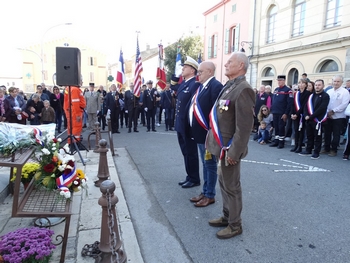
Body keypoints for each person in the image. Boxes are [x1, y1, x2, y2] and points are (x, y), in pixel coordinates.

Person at [206, 51, 255, 239]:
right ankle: (227, 216)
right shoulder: (229, 86)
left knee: (232, 187)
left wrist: (234, 152)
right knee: (223, 183)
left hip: (229, 148)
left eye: (229, 62)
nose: (225, 65)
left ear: (240, 65)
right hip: (220, 146)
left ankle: (235, 225)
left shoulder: (243, 89)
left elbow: (244, 127)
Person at [188, 61, 223, 207]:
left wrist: (212, 131)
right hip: (200, 134)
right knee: (205, 163)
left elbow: (219, 111)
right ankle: (205, 191)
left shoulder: (216, 86)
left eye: (200, 72)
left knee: (210, 164)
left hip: (208, 134)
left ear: (209, 71)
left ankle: (210, 195)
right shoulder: (201, 87)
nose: (198, 74)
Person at [170, 56, 200, 188]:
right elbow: (172, 86)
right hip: (180, 125)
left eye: (185, 67)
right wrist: (176, 75)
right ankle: (189, 176)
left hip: (188, 126)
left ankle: (194, 178)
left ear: (193, 70)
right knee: (185, 152)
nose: (182, 69)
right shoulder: (185, 83)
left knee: (191, 152)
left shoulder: (195, 85)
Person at [299, 79, 330, 159]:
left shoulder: (325, 96)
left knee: (317, 137)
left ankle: (316, 152)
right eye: (316, 85)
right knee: (309, 136)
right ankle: (308, 150)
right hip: (309, 120)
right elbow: (306, 106)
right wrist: (306, 115)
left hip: (318, 120)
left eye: (319, 85)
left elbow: (322, 108)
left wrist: (311, 116)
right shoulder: (311, 95)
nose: (317, 86)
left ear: (323, 86)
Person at [321, 75, 350, 156]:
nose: (336, 83)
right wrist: (327, 112)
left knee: (336, 134)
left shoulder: (345, 92)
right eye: (335, 81)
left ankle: (334, 150)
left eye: (338, 81)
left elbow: (344, 104)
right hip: (328, 116)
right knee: (327, 133)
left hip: (339, 117)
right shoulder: (329, 91)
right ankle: (326, 148)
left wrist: (333, 111)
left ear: (341, 82)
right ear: (332, 81)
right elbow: (325, 103)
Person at [269, 75, 293, 149]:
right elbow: (273, 101)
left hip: (282, 112)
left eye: (281, 80)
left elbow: (289, 103)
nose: (279, 82)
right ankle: (276, 140)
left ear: (284, 81)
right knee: (276, 127)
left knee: (281, 127)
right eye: (278, 80)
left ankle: (281, 142)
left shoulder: (288, 90)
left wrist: (286, 113)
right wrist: (272, 111)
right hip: (275, 111)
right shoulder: (276, 89)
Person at [290, 79, 311, 153]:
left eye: (302, 83)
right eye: (299, 83)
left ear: (305, 84)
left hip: (302, 115)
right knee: (296, 130)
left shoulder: (308, 93)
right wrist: (292, 113)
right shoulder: (296, 93)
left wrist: (297, 114)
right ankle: (295, 146)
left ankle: (299, 146)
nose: (301, 84)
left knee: (301, 131)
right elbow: (293, 104)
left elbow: (304, 105)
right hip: (295, 115)